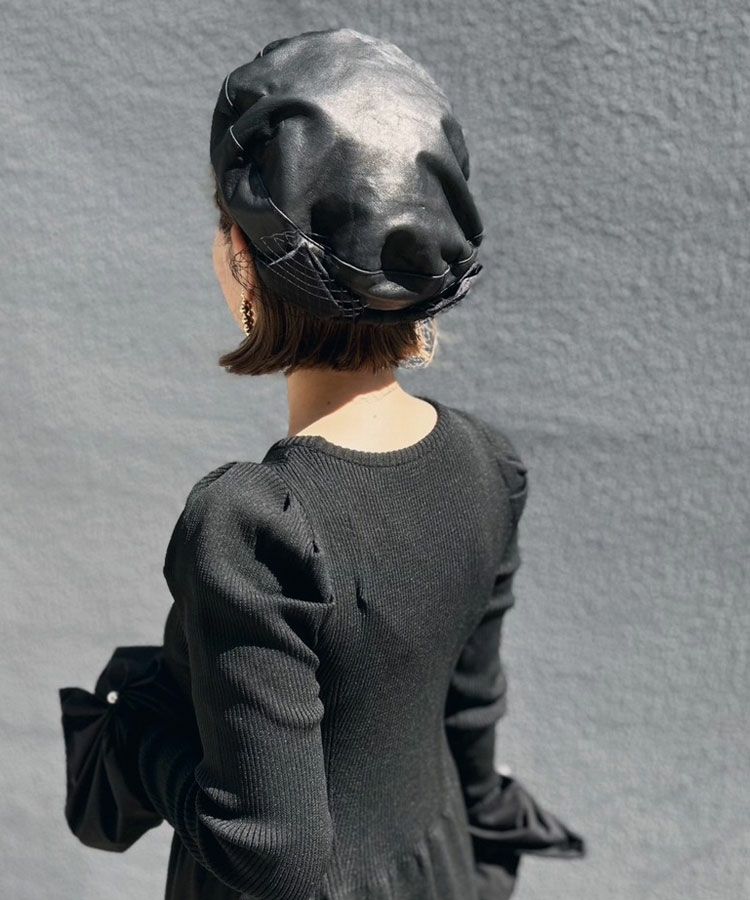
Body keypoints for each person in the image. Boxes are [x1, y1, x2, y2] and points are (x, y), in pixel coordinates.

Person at [134, 27, 586, 900]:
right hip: (436, 865)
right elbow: (472, 712)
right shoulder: (488, 465)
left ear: (241, 262)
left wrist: (138, 744)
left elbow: (273, 853)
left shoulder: (254, 528)